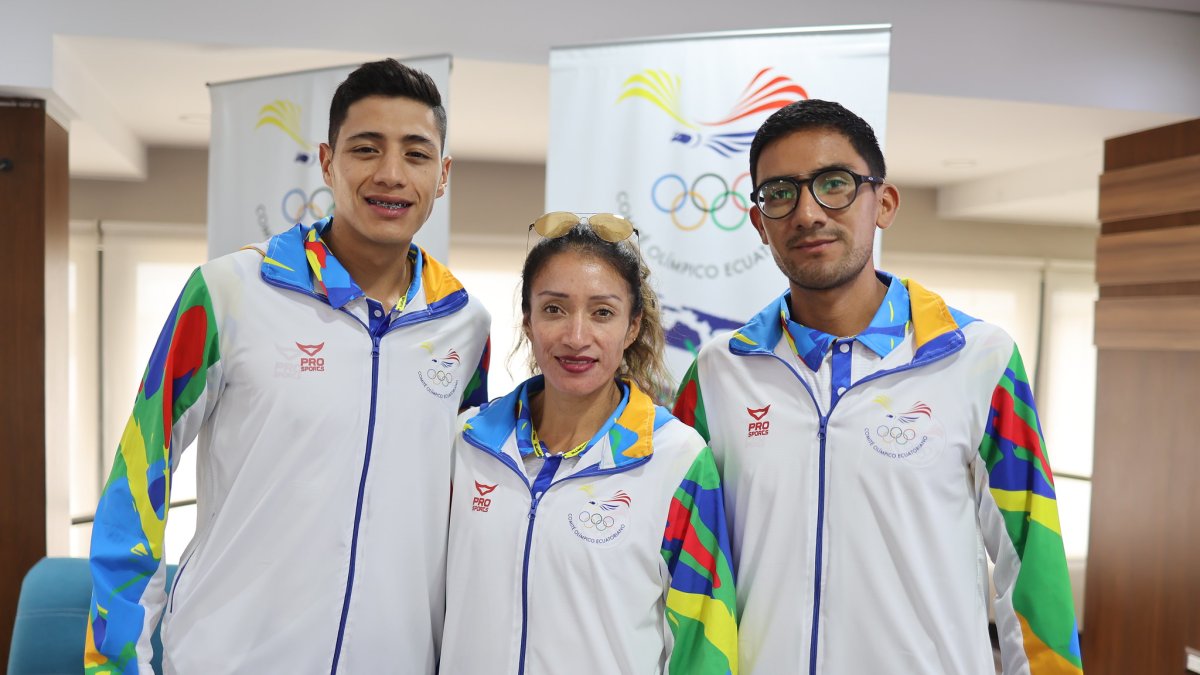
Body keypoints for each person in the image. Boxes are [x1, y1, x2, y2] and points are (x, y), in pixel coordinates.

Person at [84, 59, 490, 674]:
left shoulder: (466, 326)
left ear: (443, 175)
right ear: (328, 162)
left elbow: (473, 516)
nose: (389, 174)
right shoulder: (226, 293)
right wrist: (117, 665)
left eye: (416, 153)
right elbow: (140, 478)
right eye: (365, 149)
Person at [673, 100, 1083, 674]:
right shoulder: (717, 375)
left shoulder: (979, 360)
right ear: (759, 221)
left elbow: (1029, 557)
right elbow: (687, 578)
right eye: (780, 193)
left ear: (883, 202)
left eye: (834, 184)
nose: (808, 212)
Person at [441, 213, 737, 674]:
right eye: (554, 309)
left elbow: (703, 641)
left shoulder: (677, 459)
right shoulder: (469, 443)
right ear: (527, 321)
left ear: (632, 326)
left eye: (602, 312)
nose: (576, 337)